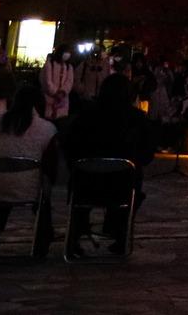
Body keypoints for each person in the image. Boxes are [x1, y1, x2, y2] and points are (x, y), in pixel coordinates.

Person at [61, 75, 156, 257]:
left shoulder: (86, 116)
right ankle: (120, 236)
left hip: (86, 184)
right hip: (123, 186)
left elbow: (70, 147)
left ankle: (76, 234)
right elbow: (147, 153)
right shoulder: (137, 119)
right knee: (133, 187)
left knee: (81, 195)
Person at [0, 84, 58, 259]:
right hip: (29, 187)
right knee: (37, 189)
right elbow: (51, 166)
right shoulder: (46, 129)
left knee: (7, 187)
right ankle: (43, 236)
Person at [41, 49, 74, 120]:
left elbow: (69, 81)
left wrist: (63, 92)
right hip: (49, 99)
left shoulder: (69, 67)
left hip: (62, 101)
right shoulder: (50, 64)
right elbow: (47, 80)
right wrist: (55, 92)